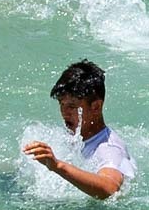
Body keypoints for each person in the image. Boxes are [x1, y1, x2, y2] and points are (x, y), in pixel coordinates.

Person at [22, 59, 135, 200]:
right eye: (61, 104)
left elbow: (110, 188)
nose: (64, 112)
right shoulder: (77, 134)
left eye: (72, 106)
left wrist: (58, 166)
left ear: (96, 107)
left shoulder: (109, 149)